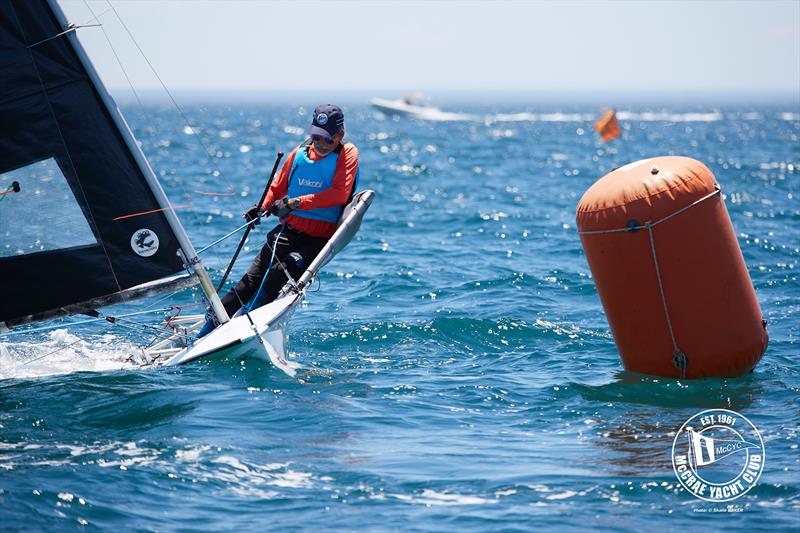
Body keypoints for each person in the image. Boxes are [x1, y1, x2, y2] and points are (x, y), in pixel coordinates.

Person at [199, 104, 359, 336]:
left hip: (317, 240)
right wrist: (261, 207)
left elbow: (339, 194)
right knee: (247, 283)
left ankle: (244, 327)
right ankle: (204, 333)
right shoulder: (299, 154)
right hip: (288, 231)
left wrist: (295, 202)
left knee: (278, 274)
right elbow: (277, 188)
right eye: (316, 136)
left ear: (340, 134)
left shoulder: (347, 153)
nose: (321, 144)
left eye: (328, 139)